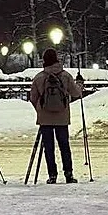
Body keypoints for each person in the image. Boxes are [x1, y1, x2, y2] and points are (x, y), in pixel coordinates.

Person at [30, 48, 83, 184]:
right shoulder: (65, 76)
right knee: (64, 146)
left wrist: (40, 110)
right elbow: (76, 93)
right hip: (62, 117)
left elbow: (33, 98)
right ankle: (68, 174)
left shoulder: (39, 77)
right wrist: (80, 85)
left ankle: (52, 175)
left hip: (45, 118)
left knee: (49, 147)